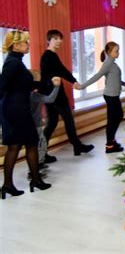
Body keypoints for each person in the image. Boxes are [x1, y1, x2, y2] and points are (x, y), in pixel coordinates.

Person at [1, 31, 51, 199]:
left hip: (17, 108)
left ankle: (12, 184)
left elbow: (20, 85)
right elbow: (2, 86)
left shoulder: (16, 61)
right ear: (15, 45)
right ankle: (32, 181)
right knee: (26, 144)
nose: (28, 45)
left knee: (20, 145)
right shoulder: (13, 63)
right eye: (25, 42)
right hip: (15, 111)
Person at [40, 29, 94, 160]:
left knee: (51, 124)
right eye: (55, 39)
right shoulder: (48, 56)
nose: (59, 41)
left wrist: (73, 81)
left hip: (51, 95)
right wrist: (72, 82)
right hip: (55, 94)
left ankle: (41, 152)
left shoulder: (52, 55)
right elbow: (48, 76)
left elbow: (62, 71)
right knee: (68, 120)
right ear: (49, 40)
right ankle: (77, 145)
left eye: (60, 38)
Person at [79, 41, 125, 153]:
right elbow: (96, 76)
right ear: (109, 52)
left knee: (118, 116)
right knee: (113, 120)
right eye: (116, 51)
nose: (118, 53)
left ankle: (112, 141)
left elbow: (116, 80)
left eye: (118, 50)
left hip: (114, 95)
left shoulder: (112, 63)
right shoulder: (108, 64)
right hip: (110, 96)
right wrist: (83, 86)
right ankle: (110, 146)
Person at [30, 70, 60, 170]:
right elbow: (50, 99)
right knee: (40, 144)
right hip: (35, 125)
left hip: (30, 124)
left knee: (35, 146)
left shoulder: (25, 94)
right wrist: (56, 86)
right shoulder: (34, 96)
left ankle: (37, 165)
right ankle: (37, 166)